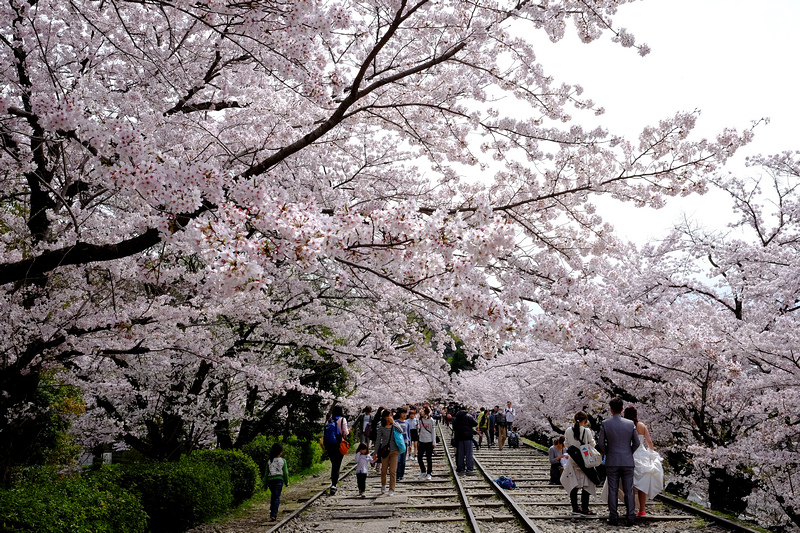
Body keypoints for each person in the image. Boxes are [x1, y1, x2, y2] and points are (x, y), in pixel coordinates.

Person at [597, 397, 640, 526]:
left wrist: (607, 452)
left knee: (613, 489)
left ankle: (614, 517)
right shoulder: (630, 424)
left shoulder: (605, 423)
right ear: (622, 409)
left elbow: (600, 442)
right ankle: (630, 517)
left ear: (611, 410)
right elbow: (637, 442)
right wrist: (629, 452)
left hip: (612, 460)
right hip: (627, 461)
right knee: (628, 490)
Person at [623, 405, 664, 516]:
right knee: (643, 484)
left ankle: (630, 509)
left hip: (629, 454)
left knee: (629, 484)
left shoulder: (625, 426)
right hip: (642, 454)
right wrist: (652, 453)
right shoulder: (641, 425)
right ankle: (642, 510)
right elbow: (649, 441)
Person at [561, 411, 599, 516]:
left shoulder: (568, 430)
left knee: (574, 484)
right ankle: (585, 508)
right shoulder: (587, 431)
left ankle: (575, 508)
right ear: (585, 421)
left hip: (573, 460)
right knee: (586, 484)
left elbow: (567, 444)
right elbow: (592, 444)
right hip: (585, 460)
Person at [373, 409, 402, 495]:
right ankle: (383, 485)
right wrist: (375, 452)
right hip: (385, 451)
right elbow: (378, 440)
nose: (390, 417)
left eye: (391, 415)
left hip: (394, 451)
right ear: (384, 417)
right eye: (388, 415)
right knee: (384, 470)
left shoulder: (395, 425)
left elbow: (401, 431)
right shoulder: (381, 426)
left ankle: (392, 489)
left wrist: (394, 423)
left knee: (393, 470)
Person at [324, 405, 350, 495]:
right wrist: (349, 431)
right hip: (339, 445)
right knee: (337, 465)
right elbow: (345, 432)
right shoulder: (342, 420)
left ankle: (333, 483)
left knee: (334, 463)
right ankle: (334, 485)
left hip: (330, 445)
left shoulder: (329, 420)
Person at [266, 443, 289, 521]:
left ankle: (272, 512)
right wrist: (287, 482)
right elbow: (285, 473)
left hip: (270, 481)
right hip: (279, 480)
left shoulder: (269, 461)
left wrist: (265, 485)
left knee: (273, 496)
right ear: (281, 452)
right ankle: (274, 514)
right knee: (276, 497)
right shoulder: (283, 460)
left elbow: (266, 474)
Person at [453, 408, 478, 473]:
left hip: (460, 438)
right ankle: (469, 468)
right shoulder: (468, 417)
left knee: (461, 454)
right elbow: (475, 423)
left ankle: (461, 468)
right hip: (468, 437)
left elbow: (454, 428)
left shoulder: (456, 419)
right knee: (469, 453)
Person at [417, 406, 436, 480]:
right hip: (421, 441)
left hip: (429, 441)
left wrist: (434, 442)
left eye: (422, 411)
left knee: (429, 458)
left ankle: (429, 473)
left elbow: (433, 432)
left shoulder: (431, 420)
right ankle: (423, 471)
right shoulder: (420, 419)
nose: (420, 412)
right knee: (419, 457)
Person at [395, 406, 410, 481]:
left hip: (405, 442)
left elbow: (408, 432)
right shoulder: (396, 422)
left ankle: (402, 475)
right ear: (400, 414)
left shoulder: (407, 422)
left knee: (403, 460)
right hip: (398, 443)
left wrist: (409, 441)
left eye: (405, 413)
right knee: (398, 459)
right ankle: (397, 475)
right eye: (403, 413)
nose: (404, 415)